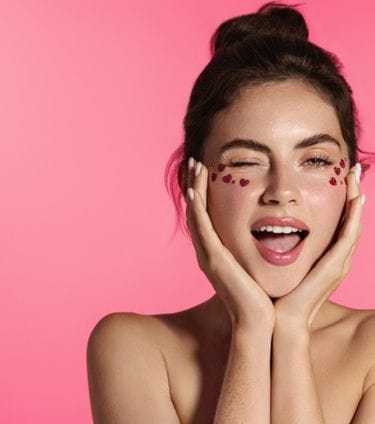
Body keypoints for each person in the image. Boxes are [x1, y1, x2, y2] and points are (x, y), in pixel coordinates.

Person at [86, 2, 375, 423]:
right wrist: (252, 330)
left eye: (314, 160)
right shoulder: (134, 348)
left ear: (351, 181)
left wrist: (291, 331)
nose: (282, 192)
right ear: (195, 183)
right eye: (244, 162)